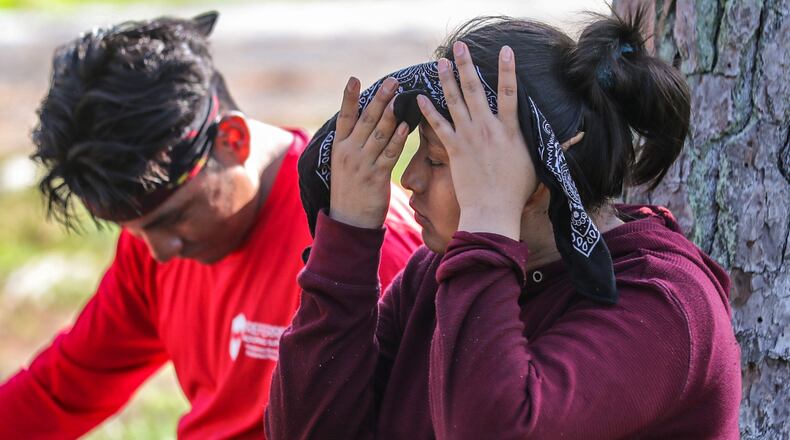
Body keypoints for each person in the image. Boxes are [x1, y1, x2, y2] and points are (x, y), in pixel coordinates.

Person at [266, 10, 741, 440]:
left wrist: (488, 223)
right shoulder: (434, 275)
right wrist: (348, 237)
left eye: (438, 159)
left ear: (535, 184)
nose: (408, 179)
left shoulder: (666, 305)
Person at [0, 11, 421, 439]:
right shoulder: (154, 244)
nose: (161, 250)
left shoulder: (367, 249)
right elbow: (64, 390)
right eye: (136, 230)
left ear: (232, 140)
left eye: (174, 218)